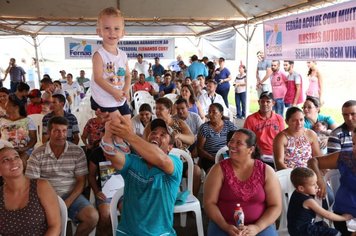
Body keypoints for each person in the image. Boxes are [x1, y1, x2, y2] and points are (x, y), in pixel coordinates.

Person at [104, 117, 183, 235]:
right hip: (127, 233)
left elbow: (161, 160)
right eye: (154, 133)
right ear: (147, 138)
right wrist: (109, 132)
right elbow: (111, 154)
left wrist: (129, 135)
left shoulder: (176, 163)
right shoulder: (132, 161)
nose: (156, 135)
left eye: (163, 135)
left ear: (170, 147)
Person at [26, 116, 99, 235]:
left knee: (92, 217)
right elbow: (32, 183)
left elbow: (81, 181)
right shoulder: (37, 154)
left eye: (64, 131)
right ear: (49, 132)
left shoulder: (77, 151)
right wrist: (50, 203)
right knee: (36, 221)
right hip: (46, 198)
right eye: (56, 131)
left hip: (71, 195)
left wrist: (67, 202)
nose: (61, 135)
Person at [204, 129, 282, 236]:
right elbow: (209, 203)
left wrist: (257, 227)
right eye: (231, 141)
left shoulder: (266, 171)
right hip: (224, 224)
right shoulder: (218, 169)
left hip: (260, 226)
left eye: (239, 143)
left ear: (251, 149)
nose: (232, 145)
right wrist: (226, 226)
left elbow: (276, 205)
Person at [90, 7, 131, 156]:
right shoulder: (99, 55)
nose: (112, 32)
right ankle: (108, 139)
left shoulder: (123, 55)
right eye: (107, 28)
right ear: (99, 32)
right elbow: (98, 78)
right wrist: (114, 91)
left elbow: (127, 75)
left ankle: (119, 139)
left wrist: (125, 90)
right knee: (116, 121)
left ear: (122, 33)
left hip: (118, 95)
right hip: (104, 96)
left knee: (127, 122)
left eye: (116, 28)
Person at [0, 141, 61, 236]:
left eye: (16, 157)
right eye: (5, 160)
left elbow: (55, 226)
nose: (13, 161)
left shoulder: (41, 186)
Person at [308, 128, 356, 235]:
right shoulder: (345, 156)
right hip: (343, 215)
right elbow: (313, 161)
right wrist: (319, 179)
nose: (354, 148)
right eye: (353, 143)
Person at [287, 167, 352, 236]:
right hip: (303, 231)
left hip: (294, 229)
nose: (317, 186)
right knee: (335, 233)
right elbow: (327, 215)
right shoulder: (308, 201)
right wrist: (344, 218)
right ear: (301, 188)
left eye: (316, 183)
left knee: (323, 225)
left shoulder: (296, 193)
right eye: (313, 185)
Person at [243, 91, 285, 167]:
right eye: (262, 101)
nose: (265, 104)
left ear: (273, 103)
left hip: (276, 155)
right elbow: (247, 139)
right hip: (258, 156)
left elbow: (283, 139)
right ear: (259, 102)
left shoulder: (279, 119)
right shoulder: (250, 119)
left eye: (268, 101)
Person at [198, 103, 237, 172]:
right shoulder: (204, 128)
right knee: (214, 173)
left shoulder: (229, 125)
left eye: (214, 112)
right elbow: (200, 149)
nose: (210, 114)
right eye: (209, 112)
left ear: (221, 114)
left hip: (228, 157)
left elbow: (236, 140)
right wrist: (215, 158)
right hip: (210, 159)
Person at [0, 94, 37, 158]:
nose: (5, 106)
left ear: (16, 107)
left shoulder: (27, 121)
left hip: (24, 150)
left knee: (21, 160)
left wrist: (24, 148)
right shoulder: (2, 120)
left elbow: (33, 139)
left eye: (8, 104)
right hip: (5, 149)